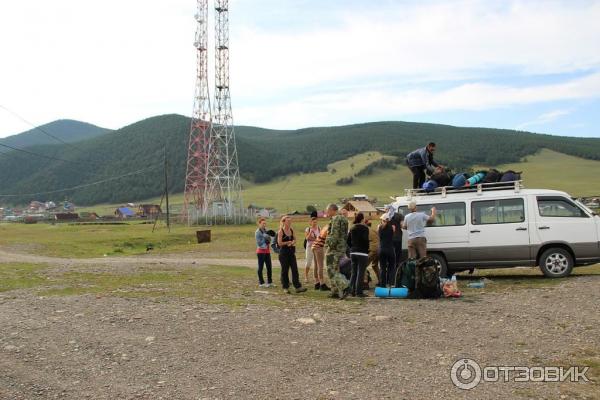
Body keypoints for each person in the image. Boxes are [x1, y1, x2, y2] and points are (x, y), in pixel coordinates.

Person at [324, 203, 350, 299]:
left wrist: (328, 243)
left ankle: (345, 285)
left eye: (327, 211)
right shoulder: (344, 219)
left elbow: (334, 235)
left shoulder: (335, 219)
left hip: (334, 249)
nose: (327, 213)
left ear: (332, 210)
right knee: (335, 269)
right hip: (342, 248)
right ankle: (334, 291)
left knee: (331, 270)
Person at [277, 215, 307, 294]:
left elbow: (295, 239)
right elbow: (279, 243)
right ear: (284, 222)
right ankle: (285, 287)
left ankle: (297, 287)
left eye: (290, 221)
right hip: (283, 253)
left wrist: (293, 242)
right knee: (285, 270)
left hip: (291, 252)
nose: (290, 223)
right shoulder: (281, 231)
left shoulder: (291, 230)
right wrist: (287, 242)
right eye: (288, 221)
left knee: (295, 269)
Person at [347, 212, 370, 297]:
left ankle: (351, 290)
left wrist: (352, 247)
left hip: (353, 252)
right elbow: (366, 240)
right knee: (361, 272)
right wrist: (367, 250)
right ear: (362, 219)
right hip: (362, 253)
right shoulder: (365, 228)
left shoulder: (352, 228)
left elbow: (348, 241)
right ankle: (359, 292)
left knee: (353, 272)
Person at [377, 212, 396, 287]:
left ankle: (382, 285)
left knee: (382, 268)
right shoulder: (393, 227)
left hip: (382, 249)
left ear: (382, 220)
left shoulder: (379, 227)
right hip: (390, 249)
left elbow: (379, 236)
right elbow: (392, 235)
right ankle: (391, 284)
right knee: (391, 267)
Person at [255, 218, 274, 288]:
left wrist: (271, 238)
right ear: (259, 224)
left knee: (269, 267)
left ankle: (270, 282)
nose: (264, 225)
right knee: (261, 267)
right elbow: (259, 243)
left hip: (267, 251)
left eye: (265, 223)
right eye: (263, 223)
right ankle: (261, 282)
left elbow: (270, 239)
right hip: (260, 252)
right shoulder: (257, 232)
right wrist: (266, 241)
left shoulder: (266, 231)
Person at [311, 223, 331, 291]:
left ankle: (317, 283)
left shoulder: (325, 226)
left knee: (316, 265)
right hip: (319, 246)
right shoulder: (330, 227)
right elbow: (328, 239)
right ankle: (322, 284)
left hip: (314, 245)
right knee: (320, 266)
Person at [304, 217, 320, 284]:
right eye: (313, 222)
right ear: (310, 222)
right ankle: (306, 276)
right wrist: (311, 232)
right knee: (308, 262)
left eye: (315, 222)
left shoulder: (319, 228)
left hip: (317, 247)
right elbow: (307, 238)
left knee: (316, 263)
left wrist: (313, 238)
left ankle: (316, 277)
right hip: (309, 247)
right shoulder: (308, 229)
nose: (314, 223)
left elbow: (320, 237)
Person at [364, 219, 380, 287]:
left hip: (372, 250)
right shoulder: (374, 230)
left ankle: (365, 283)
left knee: (363, 265)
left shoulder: (365, 231)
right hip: (379, 249)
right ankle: (381, 281)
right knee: (375, 265)